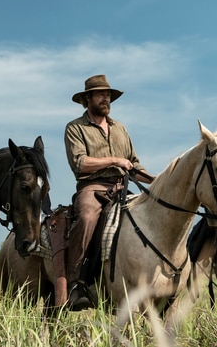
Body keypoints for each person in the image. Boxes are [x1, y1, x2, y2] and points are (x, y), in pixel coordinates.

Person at [64, 74, 153, 311]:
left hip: (122, 188)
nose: (107, 98)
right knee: (86, 218)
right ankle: (76, 283)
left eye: (109, 95)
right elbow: (80, 164)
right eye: (101, 94)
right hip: (92, 187)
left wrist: (156, 181)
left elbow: (134, 164)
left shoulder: (120, 128)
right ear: (87, 99)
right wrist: (115, 160)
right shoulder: (75, 128)